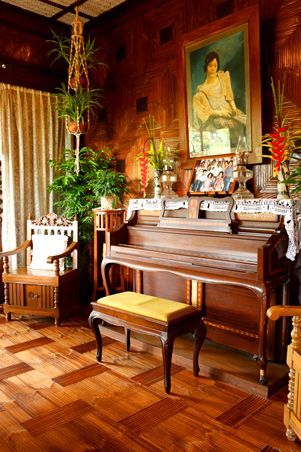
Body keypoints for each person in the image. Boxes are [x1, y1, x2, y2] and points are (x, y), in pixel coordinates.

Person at [193, 51, 246, 148]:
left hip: (229, 111)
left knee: (242, 123)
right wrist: (221, 113)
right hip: (216, 115)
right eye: (210, 65)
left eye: (215, 65)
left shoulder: (223, 76)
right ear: (206, 67)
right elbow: (207, 112)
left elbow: (229, 97)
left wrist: (234, 109)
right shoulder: (201, 89)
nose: (213, 68)